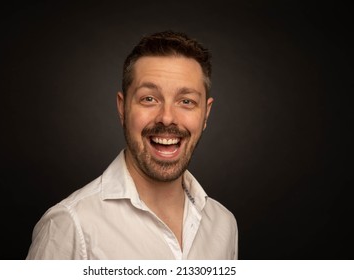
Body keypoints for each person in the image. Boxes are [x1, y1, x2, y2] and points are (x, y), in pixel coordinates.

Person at [26, 30, 238, 260]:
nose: (167, 118)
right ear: (122, 108)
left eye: (186, 101)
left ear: (205, 114)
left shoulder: (223, 224)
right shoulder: (71, 224)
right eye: (149, 99)